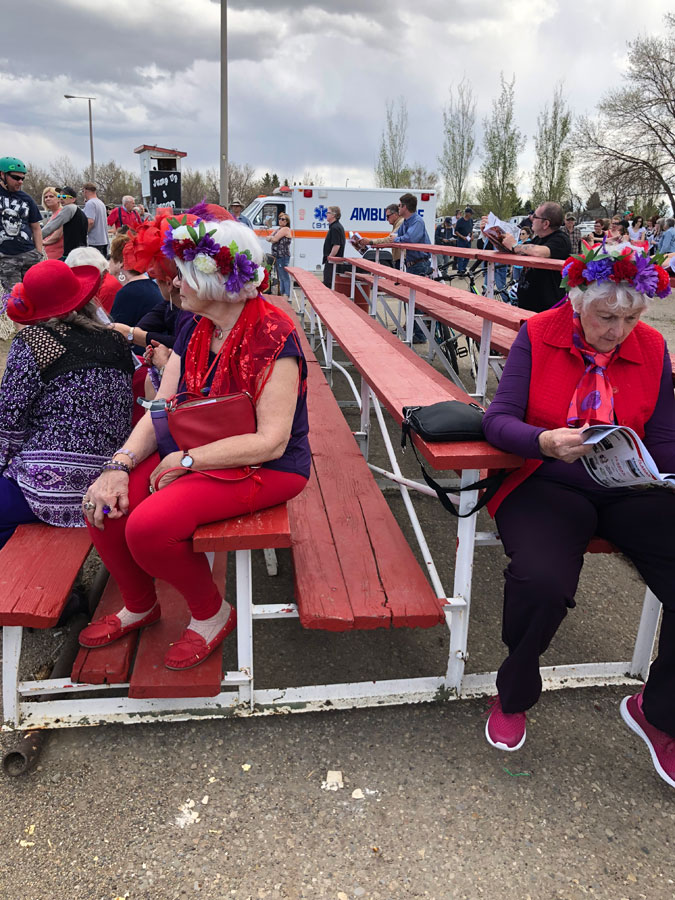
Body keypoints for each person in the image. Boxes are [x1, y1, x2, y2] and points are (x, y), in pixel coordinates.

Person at [480, 244, 675, 789]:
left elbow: (663, 438)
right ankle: (514, 693)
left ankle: (658, 714)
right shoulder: (539, 332)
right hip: (546, 480)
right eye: (606, 317)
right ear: (577, 301)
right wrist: (542, 440)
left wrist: (664, 474)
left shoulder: (652, 347)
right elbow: (498, 423)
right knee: (540, 579)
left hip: (629, 487)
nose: (619, 331)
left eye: (632, 318)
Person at [78, 217, 310, 671]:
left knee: (148, 528)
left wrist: (187, 459)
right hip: (197, 449)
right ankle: (140, 604)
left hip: (267, 466)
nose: (173, 282)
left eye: (184, 274)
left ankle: (211, 614)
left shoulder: (274, 336)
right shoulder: (194, 324)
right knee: (101, 506)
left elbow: (272, 441)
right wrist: (119, 464)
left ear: (213, 281)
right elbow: (162, 406)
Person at [0, 260, 134, 550]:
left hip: (45, 490)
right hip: (109, 489)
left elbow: (8, 423)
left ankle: (21, 582)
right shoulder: (116, 340)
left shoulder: (34, 342)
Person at [498, 201, 571, 313]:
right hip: (528, 306)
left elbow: (540, 252)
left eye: (535, 216)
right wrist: (493, 235)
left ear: (545, 223)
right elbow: (518, 251)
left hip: (545, 310)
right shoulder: (538, 239)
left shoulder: (561, 240)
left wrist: (515, 246)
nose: (531, 218)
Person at [0, 156, 44, 288]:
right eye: (16, 178)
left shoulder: (26, 199)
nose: (20, 182)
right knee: (16, 299)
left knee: (36, 293)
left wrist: (39, 253)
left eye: (22, 178)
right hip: (6, 257)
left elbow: (36, 228)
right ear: (2, 175)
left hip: (29, 255)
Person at [109, 233, 164, 335]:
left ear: (120, 262)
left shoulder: (128, 293)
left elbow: (116, 333)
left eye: (111, 257)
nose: (109, 261)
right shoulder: (150, 286)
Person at [41, 186, 88, 259]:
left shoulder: (69, 208)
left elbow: (51, 226)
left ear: (73, 199)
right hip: (80, 252)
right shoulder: (78, 211)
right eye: (59, 196)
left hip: (71, 254)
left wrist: (35, 238)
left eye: (64, 196)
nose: (61, 198)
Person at [392, 193, 432, 277]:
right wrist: (395, 237)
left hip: (420, 265)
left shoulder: (417, 221)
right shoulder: (406, 221)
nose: (398, 208)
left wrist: (395, 239)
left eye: (399, 205)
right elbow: (396, 234)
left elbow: (409, 238)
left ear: (405, 207)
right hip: (413, 265)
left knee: (417, 290)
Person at [266, 212, 292, 297]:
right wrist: (271, 238)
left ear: (286, 222)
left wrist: (272, 238)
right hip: (277, 256)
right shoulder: (278, 229)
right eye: (280, 218)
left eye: (283, 219)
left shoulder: (285, 229)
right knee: (280, 276)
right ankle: (282, 293)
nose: (280, 220)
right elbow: (268, 238)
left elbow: (275, 239)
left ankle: (286, 294)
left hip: (283, 256)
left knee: (284, 276)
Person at [83, 182, 110, 257]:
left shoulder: (90, 203)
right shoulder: (101, 203)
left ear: (85, 191)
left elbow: (90, 221)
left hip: (94, 241)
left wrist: (83, 233)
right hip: (104, 240)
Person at [322, 205, 346, 287]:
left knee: (328, 284)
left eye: (328, 212)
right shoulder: (335, 226)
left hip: (333, 262)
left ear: (334, 215)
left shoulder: (335, 228)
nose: (326, 214)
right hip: (333, 261)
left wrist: (329, 258)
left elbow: (336, 245)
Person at [41, 186, 64, 261]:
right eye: (46, 197)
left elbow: (57, 235)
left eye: (51, 196)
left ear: (58, 199)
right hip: (49, 255)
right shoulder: (53, 215)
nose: (48, 199)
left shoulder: (62, 213)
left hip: (57, 256)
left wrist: (42, 243)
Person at [453, 207, 473, 274]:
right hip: (461, 241)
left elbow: (471, 229)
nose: (471, 215)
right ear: (467, 213)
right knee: (461, 256)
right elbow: (456, 231)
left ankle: (464, 268)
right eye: (470, 213)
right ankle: (460, 269)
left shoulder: (471, 220)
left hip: (468, 240)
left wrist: (472, 236)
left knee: (468, 256)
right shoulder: (460, 221)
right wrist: (462, 237)